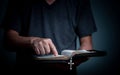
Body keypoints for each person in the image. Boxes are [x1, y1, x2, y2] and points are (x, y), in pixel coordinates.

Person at [4, 0, 97, 75]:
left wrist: (75, 59)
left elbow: (87, 44)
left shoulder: (80, 1)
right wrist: (32, 41)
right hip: (26, 70)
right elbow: (8, 40)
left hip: (66, 72)